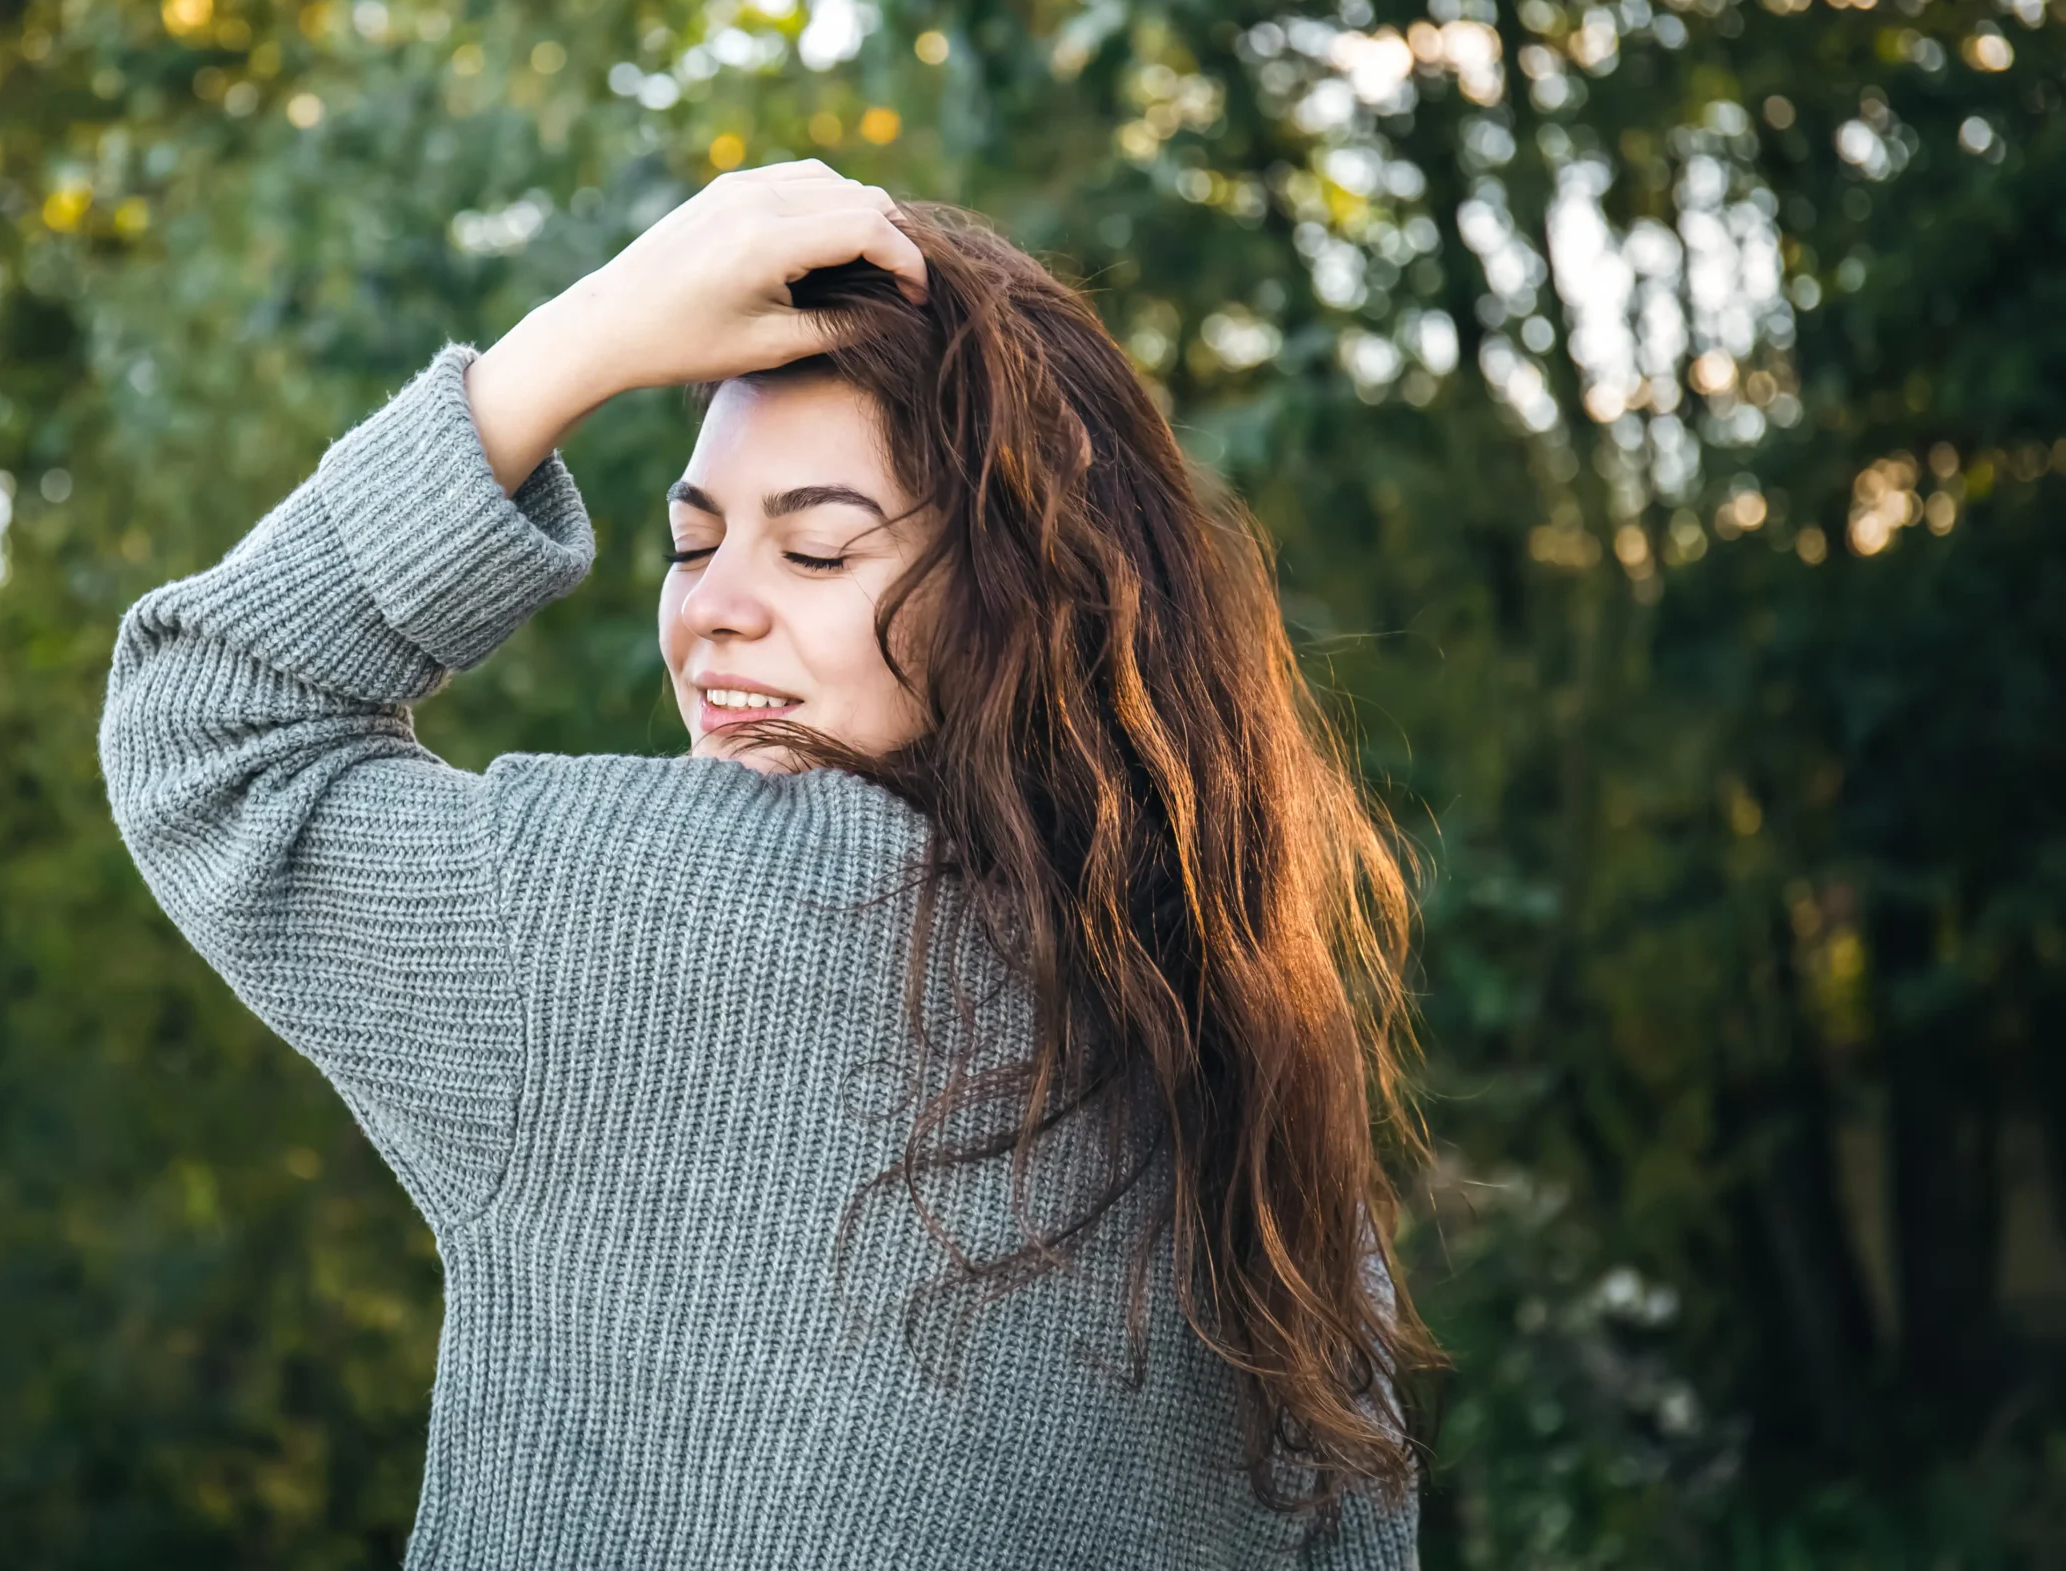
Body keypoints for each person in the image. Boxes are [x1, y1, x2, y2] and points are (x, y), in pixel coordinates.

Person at [99, 159, 1442, 1567]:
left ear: (1019, 597)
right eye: (693, 542)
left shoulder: (637, 920)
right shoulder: (1259, 1085)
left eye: (814, 551)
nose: (711, 614)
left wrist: (589, 334)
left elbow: (211, 729)